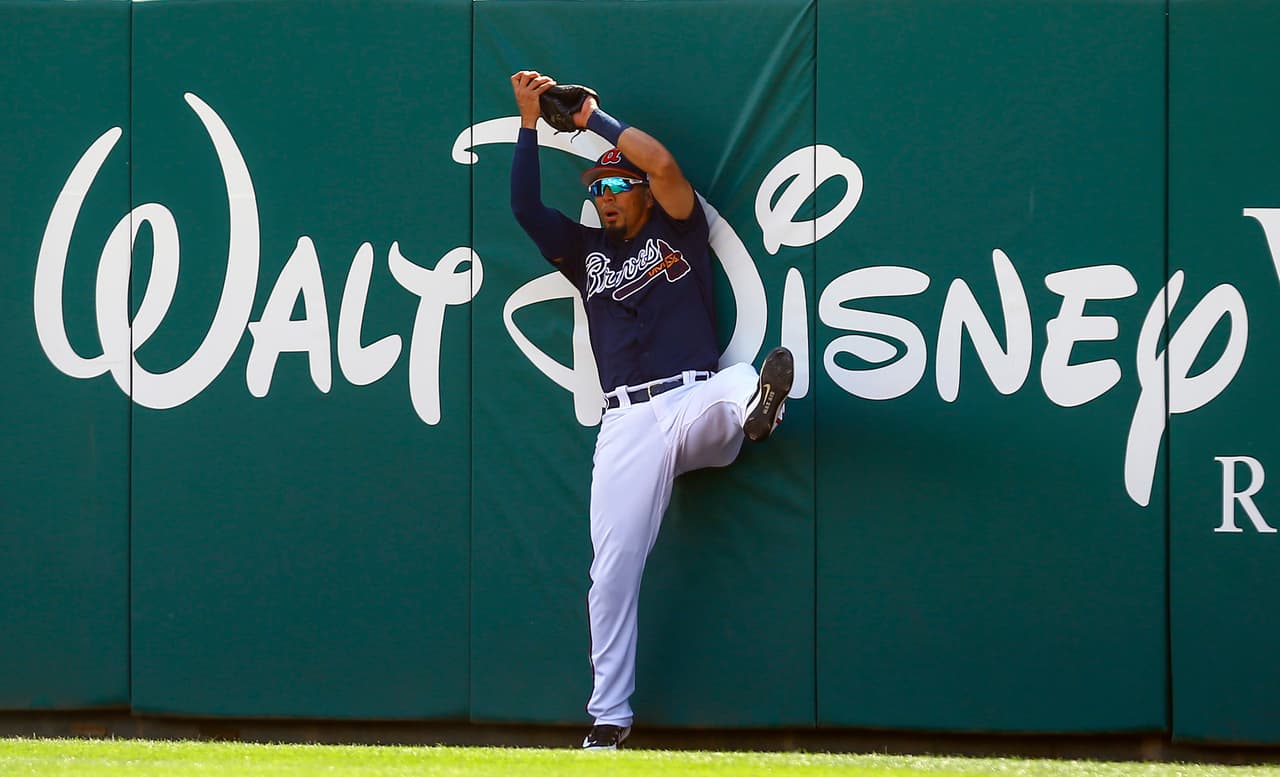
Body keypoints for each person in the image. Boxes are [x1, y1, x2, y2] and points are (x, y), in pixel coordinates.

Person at [508, 70, 793, 750]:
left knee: (737, 384)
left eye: (613, 185)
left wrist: (593, 123)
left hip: (695, 395)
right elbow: (526, 210)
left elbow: (661, 163)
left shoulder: (680, 227)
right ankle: (609, 718)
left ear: (635, 190)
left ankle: (760, 409)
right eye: (595, 189)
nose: (602, 197)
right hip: (627, 422)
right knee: (610, 572)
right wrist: (526, 123)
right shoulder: (584, 254)